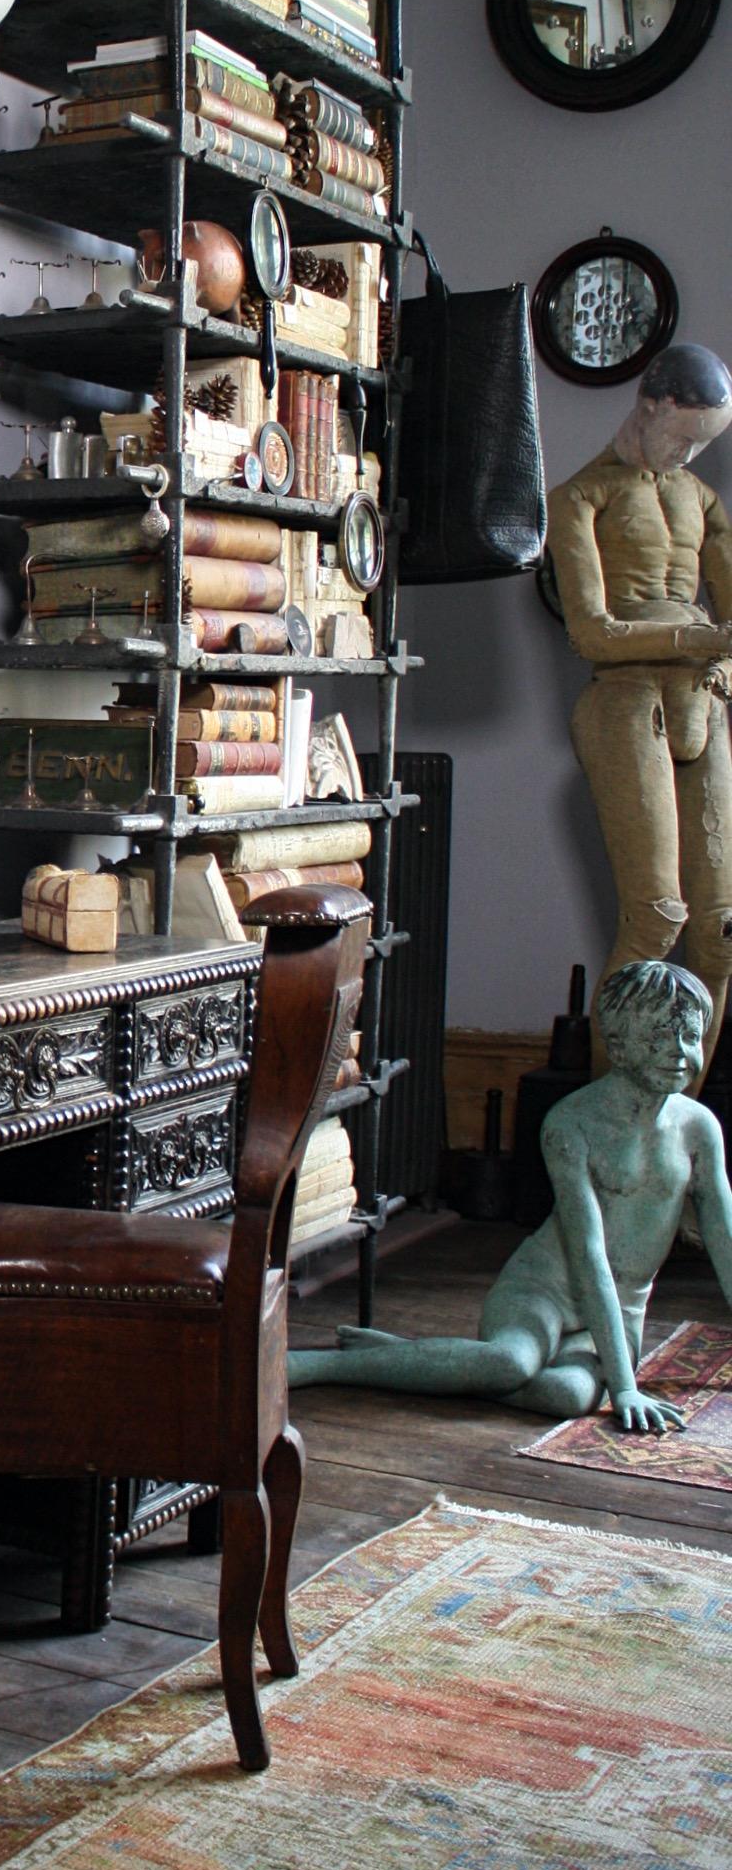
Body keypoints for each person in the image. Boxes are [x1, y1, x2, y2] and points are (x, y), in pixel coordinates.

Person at [289, 959, 732, 1429]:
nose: (680, 1053)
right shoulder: (573, 1121)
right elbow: (588, 1254)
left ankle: (421, 1360)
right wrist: (624, 1387)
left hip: (619, 1309)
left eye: (691, 1037)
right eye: (659, 1038)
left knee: (568, 1396)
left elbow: (724, 1236)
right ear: (619, 1045)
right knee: (510, 1363)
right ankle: (325, 1365)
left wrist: (621, 1381)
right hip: (543, 1290)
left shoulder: (698, 1128)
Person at [547, 341, 732, 1066]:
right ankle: (611, 1107)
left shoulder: (702, 500)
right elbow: (591, 634)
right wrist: (701, 639)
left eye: (705, 444)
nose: (689, 454)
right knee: (657, 916)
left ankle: (674, 1121)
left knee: (719, 928)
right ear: (652, 405)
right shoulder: (580, 498)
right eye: (684, 436)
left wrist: (714, 659)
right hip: (626, 703)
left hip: (703, 701)